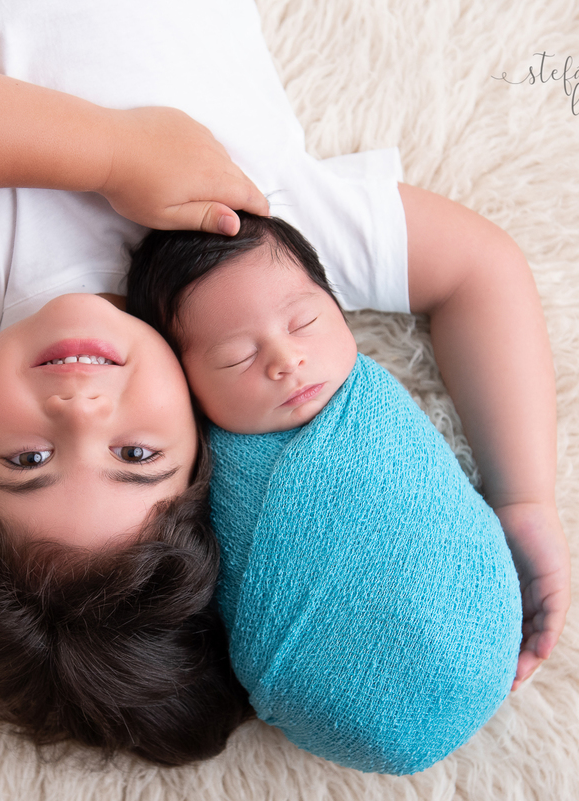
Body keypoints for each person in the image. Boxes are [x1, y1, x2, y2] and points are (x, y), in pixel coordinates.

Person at [0, 0, 568, 768]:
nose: (81, 410)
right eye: (135, 454)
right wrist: (524, 495)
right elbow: (477, 271)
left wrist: (115, 154)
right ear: (198, 434)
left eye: (28, 460)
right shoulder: (257, 256)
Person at [127, 212, 524, 773]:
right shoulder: (204, 462)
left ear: (336, 307)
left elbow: (433, 502)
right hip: (320, 690)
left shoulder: (371, 407)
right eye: (236, 357)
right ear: (185, 386)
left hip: (478, 631)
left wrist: (525, 500)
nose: (285, 361)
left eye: (305, 321)